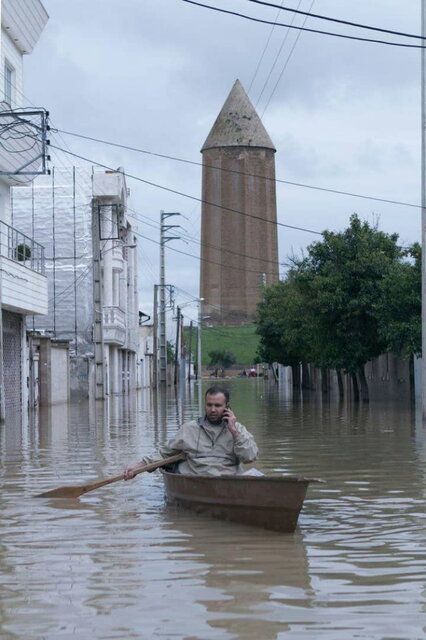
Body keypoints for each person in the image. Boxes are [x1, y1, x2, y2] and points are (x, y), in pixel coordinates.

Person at [124, 386, 259, 478]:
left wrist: (234, 432)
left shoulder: (238, 430)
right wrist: (137, 467)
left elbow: (250, 457)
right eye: (209, 405)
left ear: (227, 407)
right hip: (197, 481)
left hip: (229, 481)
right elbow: (163, 454)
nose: (212, 409)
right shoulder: (189, 429)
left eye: (217, 406)